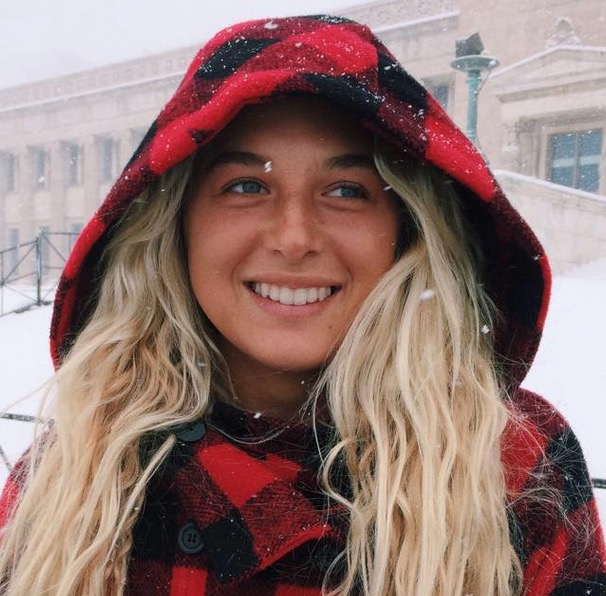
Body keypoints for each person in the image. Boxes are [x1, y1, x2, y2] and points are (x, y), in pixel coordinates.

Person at [0, 14, 604, 596]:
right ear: (175, 227)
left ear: (408, 230)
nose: (294, 238)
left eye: (346, 190)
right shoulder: (73, 474)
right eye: (246, 186)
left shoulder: (510, 461)